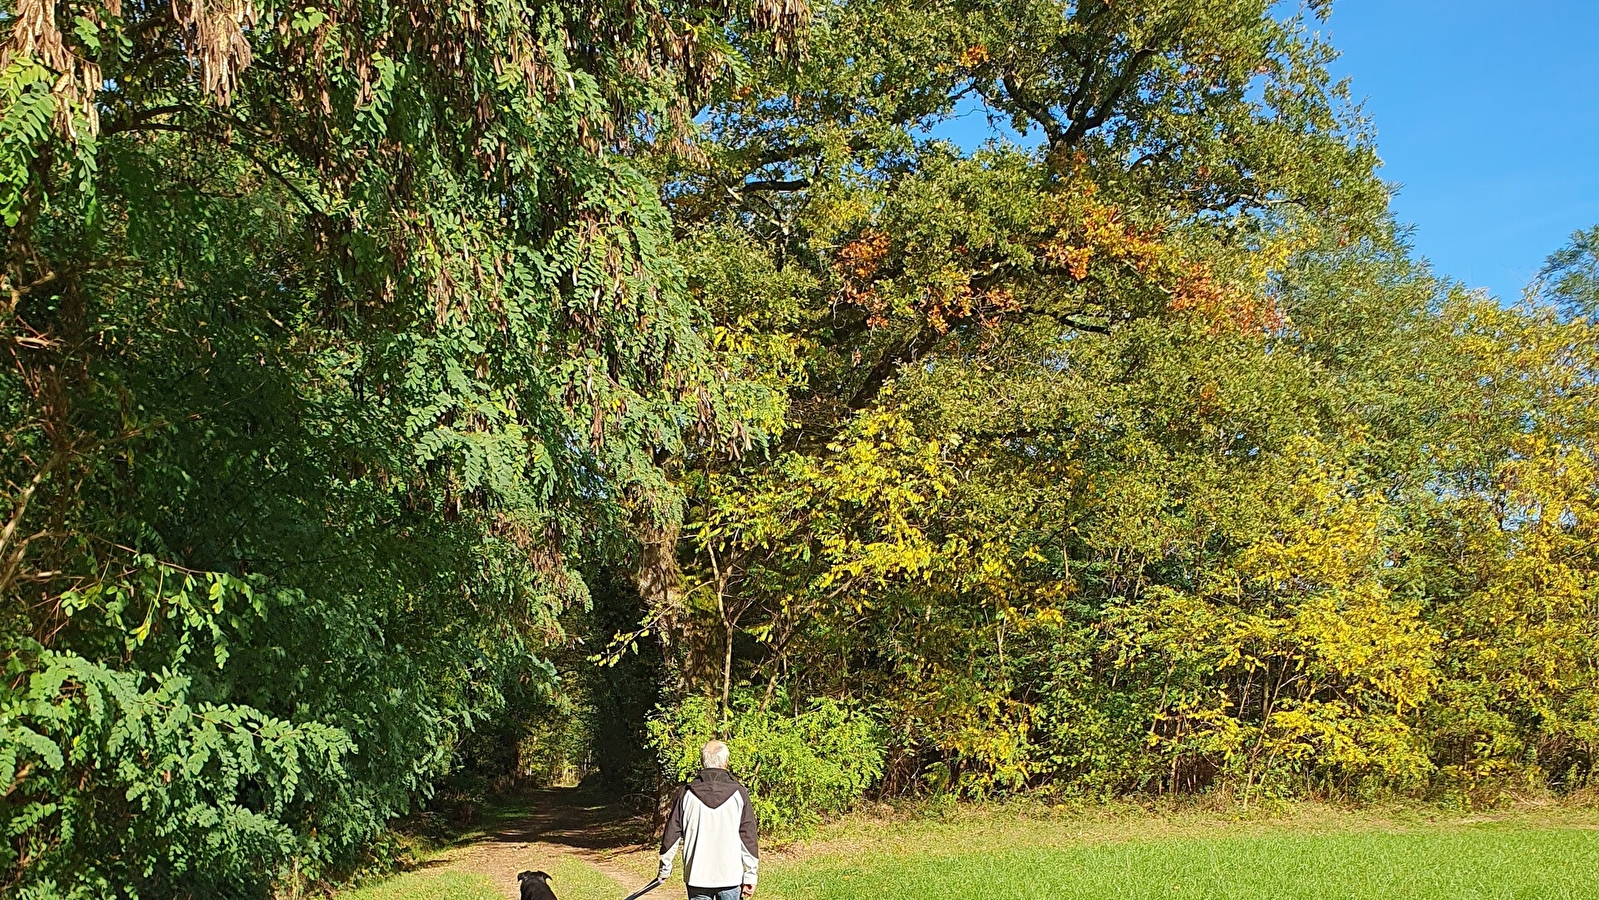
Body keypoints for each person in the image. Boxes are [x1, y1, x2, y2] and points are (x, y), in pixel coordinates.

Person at [657, 740, 759, 900]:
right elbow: (748, 837)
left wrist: (665, 869)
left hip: (697, 877)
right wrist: (751, 875)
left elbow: (671, 836)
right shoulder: (739, 793)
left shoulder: (686, 794)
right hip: (730, 877)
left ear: (702, 762)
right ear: (726, 762)